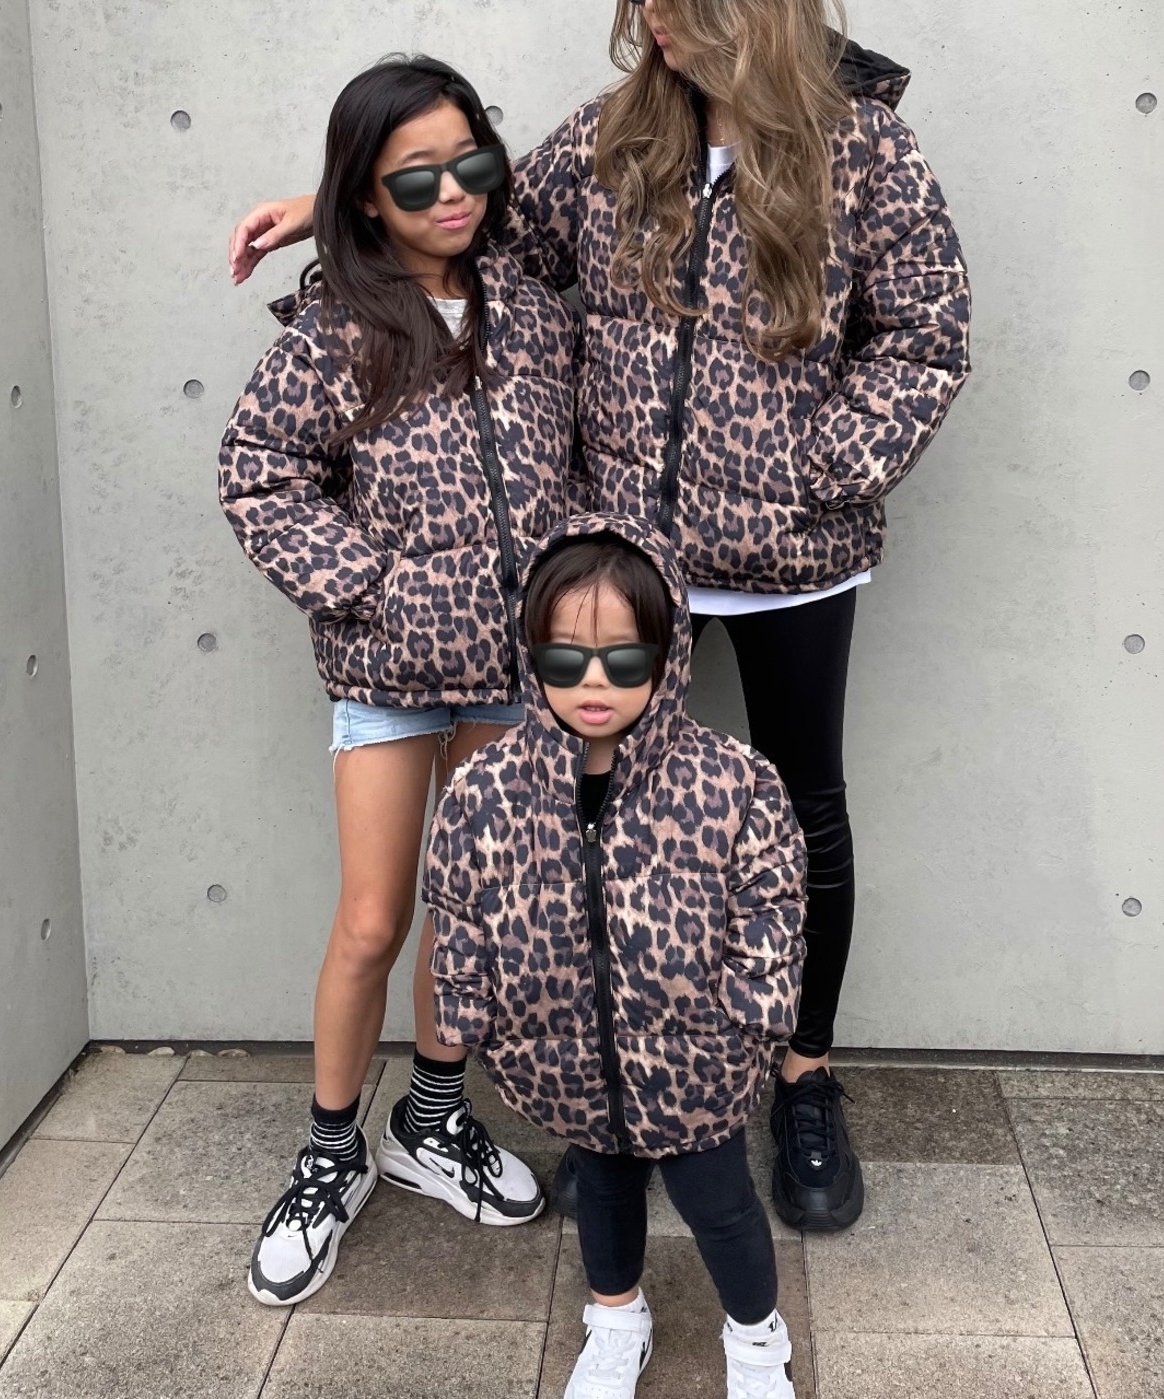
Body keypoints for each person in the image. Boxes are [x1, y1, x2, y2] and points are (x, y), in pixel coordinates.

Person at [228, 0, 971, 1231]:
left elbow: (923, 338)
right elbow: (476, 215)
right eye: (647, 7)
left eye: (682, 4)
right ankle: (620, 1096)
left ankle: (802, 1079)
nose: (658, 25)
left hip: (791, 557)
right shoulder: (615, 135)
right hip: (628, 565)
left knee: (802, 816)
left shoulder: (864, 149)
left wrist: (817, 465)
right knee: (610, 831)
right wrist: (329, 203)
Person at [217, 54, 580, 1306]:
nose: (451, 194)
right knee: (373, 918)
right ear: (367, 195)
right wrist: (372, 587)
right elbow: (259, 474)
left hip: (512, 671)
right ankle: (331, 1153)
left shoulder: (532, 308)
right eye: (413, 179)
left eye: (468, 162)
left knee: (463, 907)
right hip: (387, 668)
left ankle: (431, 1120)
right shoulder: (339, 327)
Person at [425, 513, 808, 1398]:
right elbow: (457, 903)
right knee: (600, 1193)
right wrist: (468, 1010)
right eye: (565, 659)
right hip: (560, 1054)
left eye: (623, 659)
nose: (592, 681)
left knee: (721, 1205)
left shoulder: (730, 781)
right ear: (532, 658)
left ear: (667, 657)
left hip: (696, 1059)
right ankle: (615, 1318)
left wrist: (755, 1019)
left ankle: (757, 1337)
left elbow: (772, 904)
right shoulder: (488, 788)